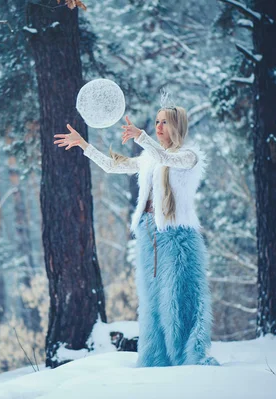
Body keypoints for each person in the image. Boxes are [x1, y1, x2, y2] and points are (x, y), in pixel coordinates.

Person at [53, 107, 218, 367]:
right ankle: (156, 358)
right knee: (152, 301)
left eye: (165, 122)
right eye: (157, 122)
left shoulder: (189, 156)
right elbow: (111, 166)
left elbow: (167, 159)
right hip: (149, 236)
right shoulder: (148, 159)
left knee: (177, 299)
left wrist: (141, 137)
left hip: (178, 238)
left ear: (179, 125)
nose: (159, 126)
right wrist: (84, 144)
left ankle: (188, 358)